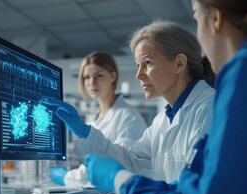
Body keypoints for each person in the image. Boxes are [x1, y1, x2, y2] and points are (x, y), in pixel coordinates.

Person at [85, 0, 247, 194]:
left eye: (197, 17)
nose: (139, 75)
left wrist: (121, 181)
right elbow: (208, 188)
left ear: (216, 19)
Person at [44, 20, 216, 184]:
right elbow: (131, 162)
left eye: (147, 63)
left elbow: (197, 187)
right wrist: (85, 132)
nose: (138, 75)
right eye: (138, 65)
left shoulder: (210, 108)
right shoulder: (162, 120)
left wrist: (129, 187)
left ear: (179, 63)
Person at [49, 52, 147, 187]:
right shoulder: (94, 118)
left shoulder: (128, 116)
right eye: (86, 77)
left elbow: (123, 165)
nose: (91, 83)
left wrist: (67, 177)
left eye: (99, 76)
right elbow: (92, 163)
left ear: (113, 76)